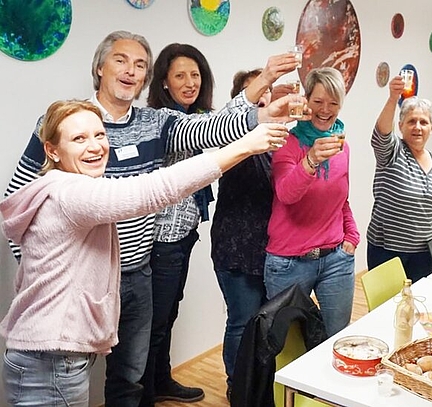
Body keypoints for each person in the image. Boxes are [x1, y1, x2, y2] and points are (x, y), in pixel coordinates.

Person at [3, 31, 298, 406]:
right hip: (75, 291)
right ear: (99, 67)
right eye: (121, 60)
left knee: (131, 377)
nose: (130, 71)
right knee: (68, 375)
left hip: (137, 273)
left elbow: (208, 128)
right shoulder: (64, 122)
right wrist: (39, 271)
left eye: (140, 64)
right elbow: (18, 201)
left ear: (146, 77)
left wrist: (259, 116)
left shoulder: (156, 122)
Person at [211, 57, 296, 399]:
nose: (264, 107)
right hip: (237, 249)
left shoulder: (279, 141)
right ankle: (238, 387)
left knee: (267, 323)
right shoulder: (232, 139)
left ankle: (260, 386)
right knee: (243, 322)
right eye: (257, 101)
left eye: (268, 100)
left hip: (274, 250)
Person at [138, 43, 215, 404]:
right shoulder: (164, 121)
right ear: (164, 82)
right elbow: (207, 129)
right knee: (154, 323)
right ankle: (145, 394)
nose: (189, 82)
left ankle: (161, 380)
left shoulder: (191, 113)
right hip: (162, 238)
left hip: (183, 234)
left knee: (169, 313)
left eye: (195, 75)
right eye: (180, 75)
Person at [264, 67, 360, 338]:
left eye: (333, 103)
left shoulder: (342, 145)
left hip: (336, 260)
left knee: (336, 339)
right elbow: (286, 194)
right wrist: (311, 160)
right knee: (286, 344)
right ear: (306, 100)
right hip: (288, 263)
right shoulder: (288, 143)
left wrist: (351, 238)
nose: (325, 110)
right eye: (318, 101)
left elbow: (342, 199)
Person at [366, 75, 432, 282]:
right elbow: (381, 134)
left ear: (431, 129)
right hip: (388, 250)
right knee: (389, 309)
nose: (418, 127)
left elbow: (429, 207)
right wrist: (393, 98)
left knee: (416, 305)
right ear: (401, 126)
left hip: (423, 252)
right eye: (411, 121)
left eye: (423, 122)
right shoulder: (393, 152)